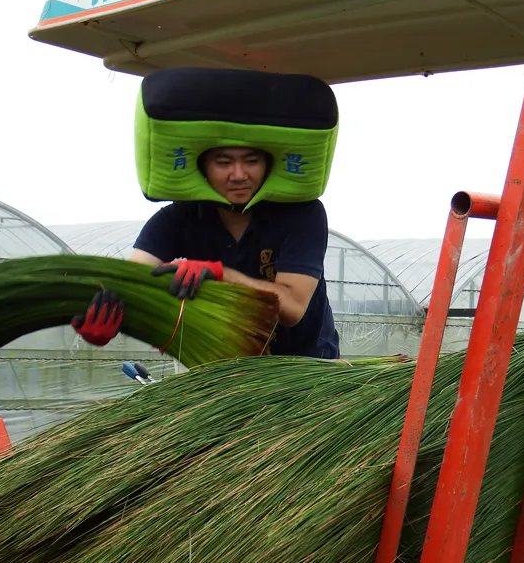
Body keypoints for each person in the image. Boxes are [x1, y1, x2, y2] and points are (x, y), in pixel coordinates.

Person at [70, 66, 341, 360]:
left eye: (251, 160)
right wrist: (107, 314)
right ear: (203, 167)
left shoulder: (302, 214)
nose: (239, 175)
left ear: (268, 164)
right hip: (225, 370)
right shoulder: (177, 219)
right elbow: (132, 278)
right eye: (223, 162)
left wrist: (221, 274)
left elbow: (292, 308)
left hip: (309, 369)